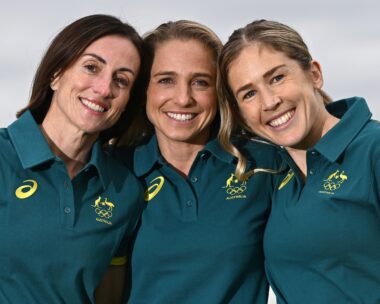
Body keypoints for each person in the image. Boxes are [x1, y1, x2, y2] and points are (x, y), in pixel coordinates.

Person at [114, 20, 280, 303]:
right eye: (166, 80)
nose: (183, 98)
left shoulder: (265, 164)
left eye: (200, 82)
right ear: (144, 90)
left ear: (220, 93)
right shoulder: (112, 171)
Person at [218, 19, 380, 303]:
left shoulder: (373, 150)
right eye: (249, 93)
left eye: (277, 78)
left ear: (314, 74)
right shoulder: (270, 172)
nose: (269, 102)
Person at [0, 14, 145, 303]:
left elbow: (109, 298)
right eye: (92, 67)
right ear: (55, 74)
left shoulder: (125, 190)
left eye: (121, 80)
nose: (104, 89)